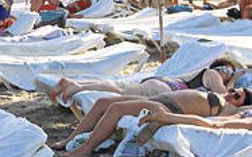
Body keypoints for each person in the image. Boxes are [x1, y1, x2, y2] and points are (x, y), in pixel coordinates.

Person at [53, 88, 252, 157]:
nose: (232, 94)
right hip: (162, 98)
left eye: (237, 96)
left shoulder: (233, 111)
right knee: (103, 102)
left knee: (116, 110)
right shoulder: (223, 93)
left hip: (170, 108)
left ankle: (87, 148)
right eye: (235, 90)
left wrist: (168, 117)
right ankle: (68, 139)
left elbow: (215, 125)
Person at [49, 59, 240, 102]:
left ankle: (75, 84)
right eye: (226, 70)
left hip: (159, 83)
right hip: (162, 88)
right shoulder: (211, 74)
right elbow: (224, 97)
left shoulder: (202, 73)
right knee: (121, 92)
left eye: (229, 73)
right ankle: (77, 87)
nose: (226, 74)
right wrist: (234, 80)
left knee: (118, 88)